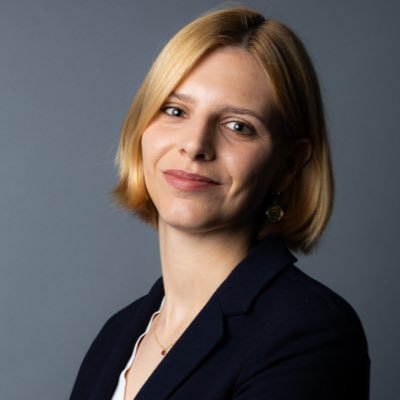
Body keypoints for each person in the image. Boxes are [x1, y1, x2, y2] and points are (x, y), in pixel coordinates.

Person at [70, 6, 370, 400]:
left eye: (238, 126)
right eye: (175, 110)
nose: (195, 145)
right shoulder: (117, 335)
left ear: (287, 166)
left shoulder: (308, 332)